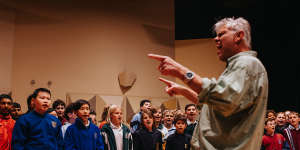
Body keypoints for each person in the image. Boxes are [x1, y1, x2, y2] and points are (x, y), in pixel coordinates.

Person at [148, 17, 269, 149]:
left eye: (221, 34)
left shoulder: (246, 64)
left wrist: (182, 72)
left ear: (239, 36)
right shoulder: (240, 66)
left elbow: (224, 99)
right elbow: (215, 105)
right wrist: (184, 91)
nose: (215, 39)